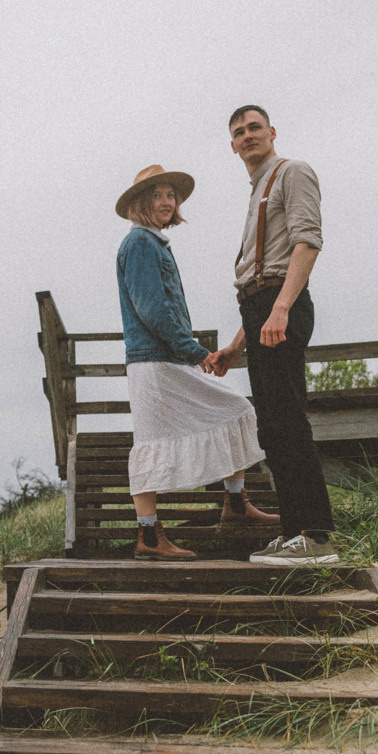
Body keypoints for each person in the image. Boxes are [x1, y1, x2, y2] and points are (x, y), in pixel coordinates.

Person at [116, 164, 277, 560]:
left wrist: (186, 351)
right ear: (140, 203)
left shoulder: (154, 243)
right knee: (151, 441)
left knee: (233, 409)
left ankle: (235, 504)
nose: (166, 202)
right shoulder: (139, 243)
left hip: (165, 359)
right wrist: (194, 351)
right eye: (156, 195)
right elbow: (153, 309)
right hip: (154, 363)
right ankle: (149, 536)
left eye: (170, 195)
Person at [201, 107, 337, 566]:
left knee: (288, 422)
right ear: (232, 146)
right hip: (260, 308)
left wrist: (281, 308)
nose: (247, 135)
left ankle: (316, 536)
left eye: (254, 127)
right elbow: (258, 278)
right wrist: (235, 346)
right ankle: (293, 532)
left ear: (272, 132)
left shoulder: (292, 171)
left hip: (281, 303)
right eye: (239, 132)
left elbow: (307, 241)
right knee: (273, 429)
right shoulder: (258, 189)